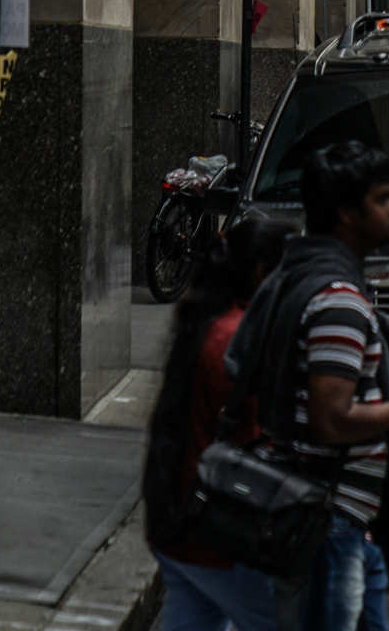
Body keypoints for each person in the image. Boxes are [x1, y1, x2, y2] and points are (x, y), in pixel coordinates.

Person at [227, 141, 389, 631]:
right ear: (346, 215)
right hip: (325, 523)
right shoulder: (338, 301)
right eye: (381, 199)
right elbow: (331, 421)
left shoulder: (294, 275)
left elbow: (242, 365)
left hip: (336, 517)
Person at [142, 211, 292, 631]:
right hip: (222, 531)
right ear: (264, 273)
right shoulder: (237, 337)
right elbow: (259, 437)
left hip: (182, 524)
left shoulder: (212, 322)